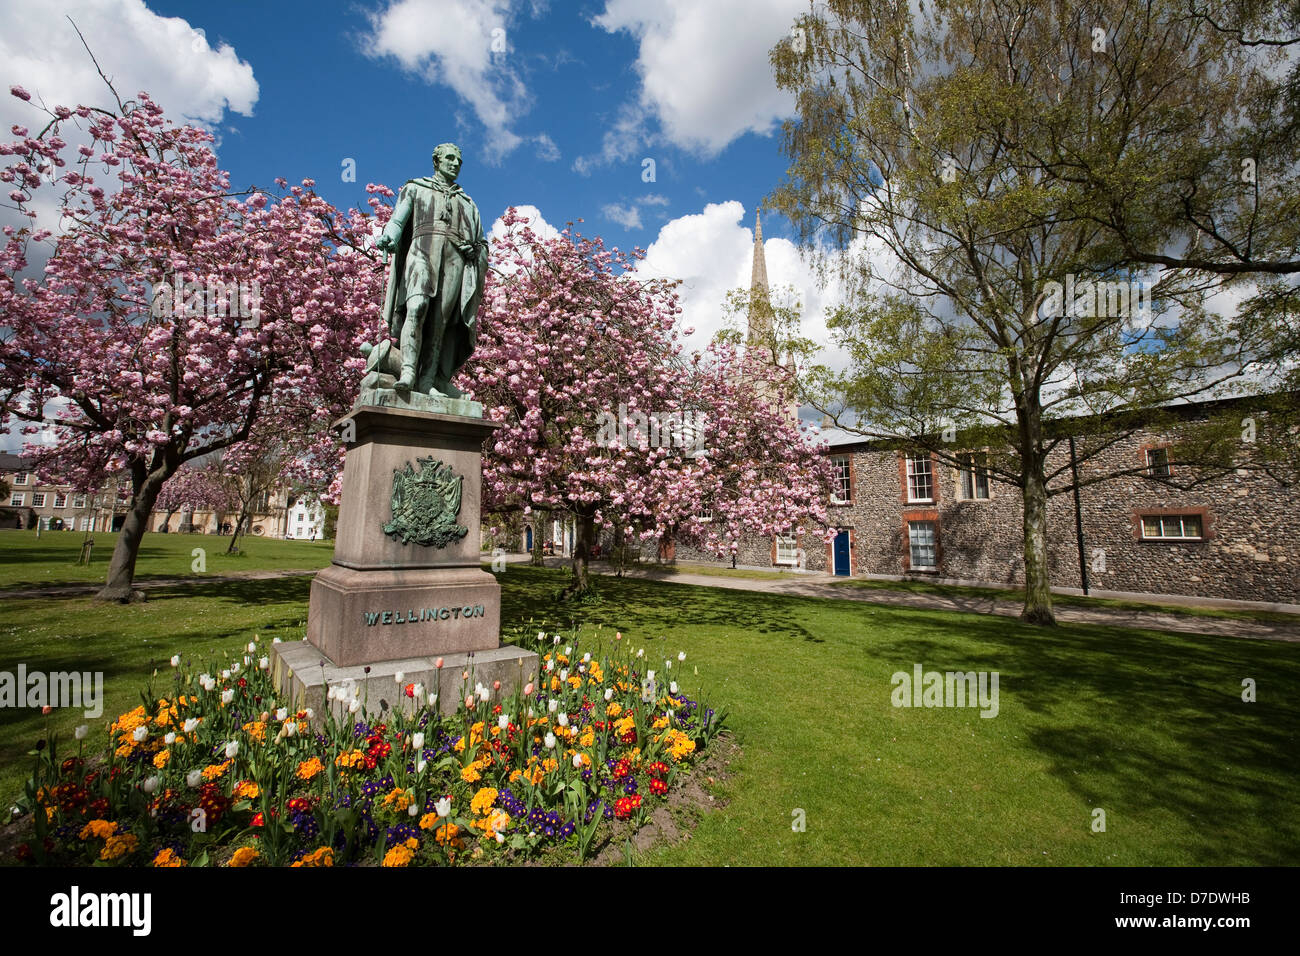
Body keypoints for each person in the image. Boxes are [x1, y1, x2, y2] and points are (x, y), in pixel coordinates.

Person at [374, 143, 488, 397]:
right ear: (436, 161)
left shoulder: (468, 203)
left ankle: (428, 381)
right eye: (449, 158)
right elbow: (397, 219)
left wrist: (475, 251)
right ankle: (408, 370)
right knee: (417, 307)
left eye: (459, 160)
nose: (455, 164)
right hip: (421, 250)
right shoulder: (415, 187)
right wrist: (389, 234)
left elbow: (481, 242)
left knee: (440, 324)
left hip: (455, 261)